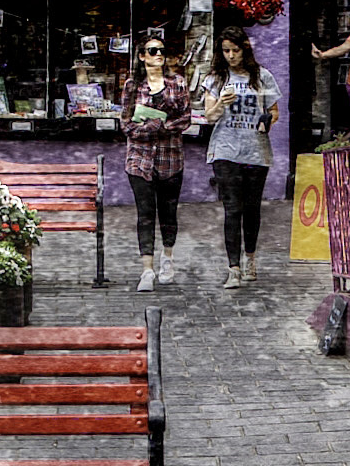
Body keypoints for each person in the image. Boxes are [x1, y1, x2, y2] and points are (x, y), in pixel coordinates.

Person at [198, 36, 281, 289]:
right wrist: (221, 104)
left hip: (255, 150)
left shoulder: (262, 76)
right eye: (226, 51)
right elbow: (208, 117)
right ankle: (232, 267)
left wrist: (266, 121)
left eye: (235, 50)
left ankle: (250, 259)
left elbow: (274, 111)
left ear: (245, 50)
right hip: (225, 149)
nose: (231, 56)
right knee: (232, 208)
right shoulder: (215, 79)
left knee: (252, 208)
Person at [118, 51, 192, 293]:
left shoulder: (177, 83)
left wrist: (163, 125)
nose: (159, 54)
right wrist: (150, 128)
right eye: (152, 50)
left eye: (162, 49)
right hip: (140, 159)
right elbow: (126, 123)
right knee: (145, 214)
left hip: (170, 158)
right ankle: (146, 269)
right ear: (142, 56)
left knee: (168, 213)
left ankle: (167, 258)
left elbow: (186, 119)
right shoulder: (132, 85)